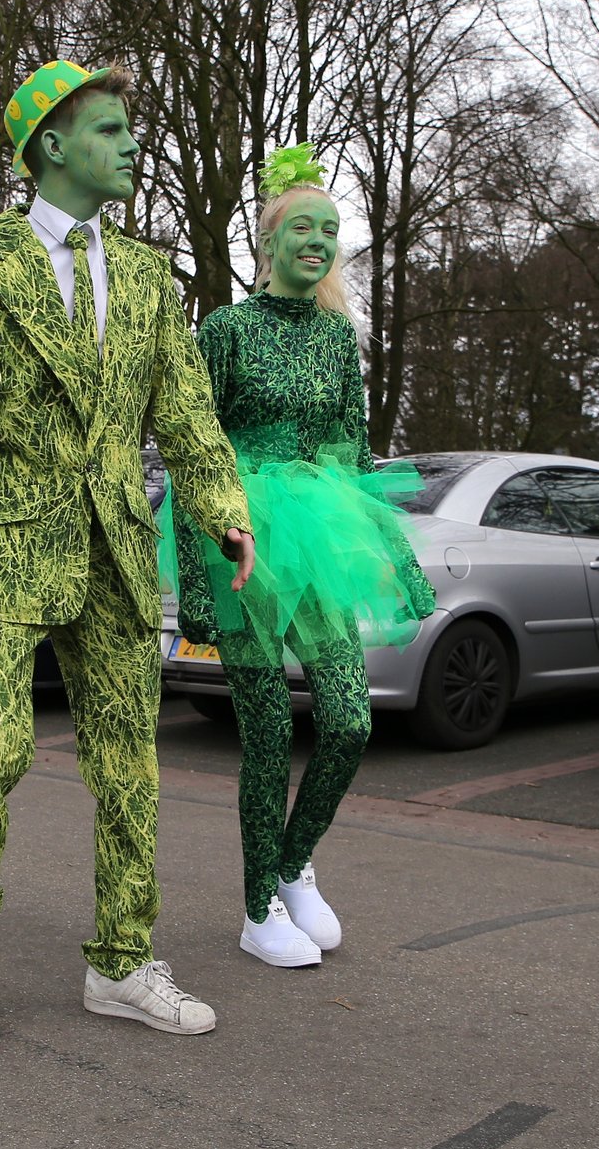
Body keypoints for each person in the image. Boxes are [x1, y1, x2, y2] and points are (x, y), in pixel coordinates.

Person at [0, 61, 256, 1041]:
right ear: (52, 145)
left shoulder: (148, 276)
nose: (131, 143)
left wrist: (221, 506)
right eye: (109, 129)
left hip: (115, 546)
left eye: (128, 128)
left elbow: (185, 412)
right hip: (3, 550)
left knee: (129, 767)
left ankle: (120, 962)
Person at [167, 145, 436, 968]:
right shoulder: (224, 329)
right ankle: (257, 910)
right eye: (303, 228)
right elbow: (192, 448)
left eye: (330, 230)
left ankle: (293, 864)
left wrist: (395, 554)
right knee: (268, 731)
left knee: (350, 720)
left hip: (317, 536)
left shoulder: (335, 337)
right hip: (238, 543)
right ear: (269, 239)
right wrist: (195, 576)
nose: (318, 242)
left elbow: (355, 450)